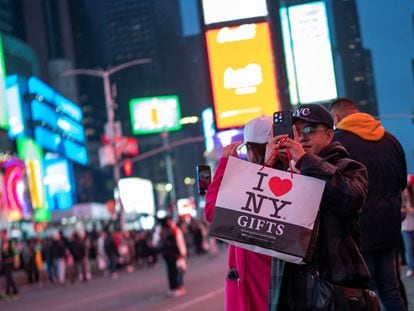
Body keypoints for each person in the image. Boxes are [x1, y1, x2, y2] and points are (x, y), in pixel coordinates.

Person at [266, 104, 373, 310]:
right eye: (296, 131)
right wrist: (266, 164)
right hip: (288, 287)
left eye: (310, 130)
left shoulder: (349, 167)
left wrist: (306, 161)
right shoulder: (281, 172)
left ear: (329, 135)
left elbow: (351, 197)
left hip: (332, 285)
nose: (302, 137)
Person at [330, 98, 407, 310]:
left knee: (364, 295)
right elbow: (401, 183)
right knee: (390, 290)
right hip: (390, 228)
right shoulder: (390, 140)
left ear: (336, 118)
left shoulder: (338, 143)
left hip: (358, 232)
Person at [205, 116, 273, 311]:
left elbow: (212, 212)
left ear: (250, 149)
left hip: (254, 284)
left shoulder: (248, 184)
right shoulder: (296, 173)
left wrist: (225, 165)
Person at [159, 216, 187, 297]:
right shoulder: (169, 231)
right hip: (172, 254)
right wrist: (180, 253)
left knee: (176, 271)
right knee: (175, 272)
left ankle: (176, 287)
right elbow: (176, 243)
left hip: (172, 254)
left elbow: (179, 242)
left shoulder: (171, 230)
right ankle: (175, 288)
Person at [401, 177, 414, 277]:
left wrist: (410, 210)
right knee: (408, 249)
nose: (405, 192)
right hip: (405, 227)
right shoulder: (401, 199)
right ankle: (410, 268)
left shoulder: (412, 198)